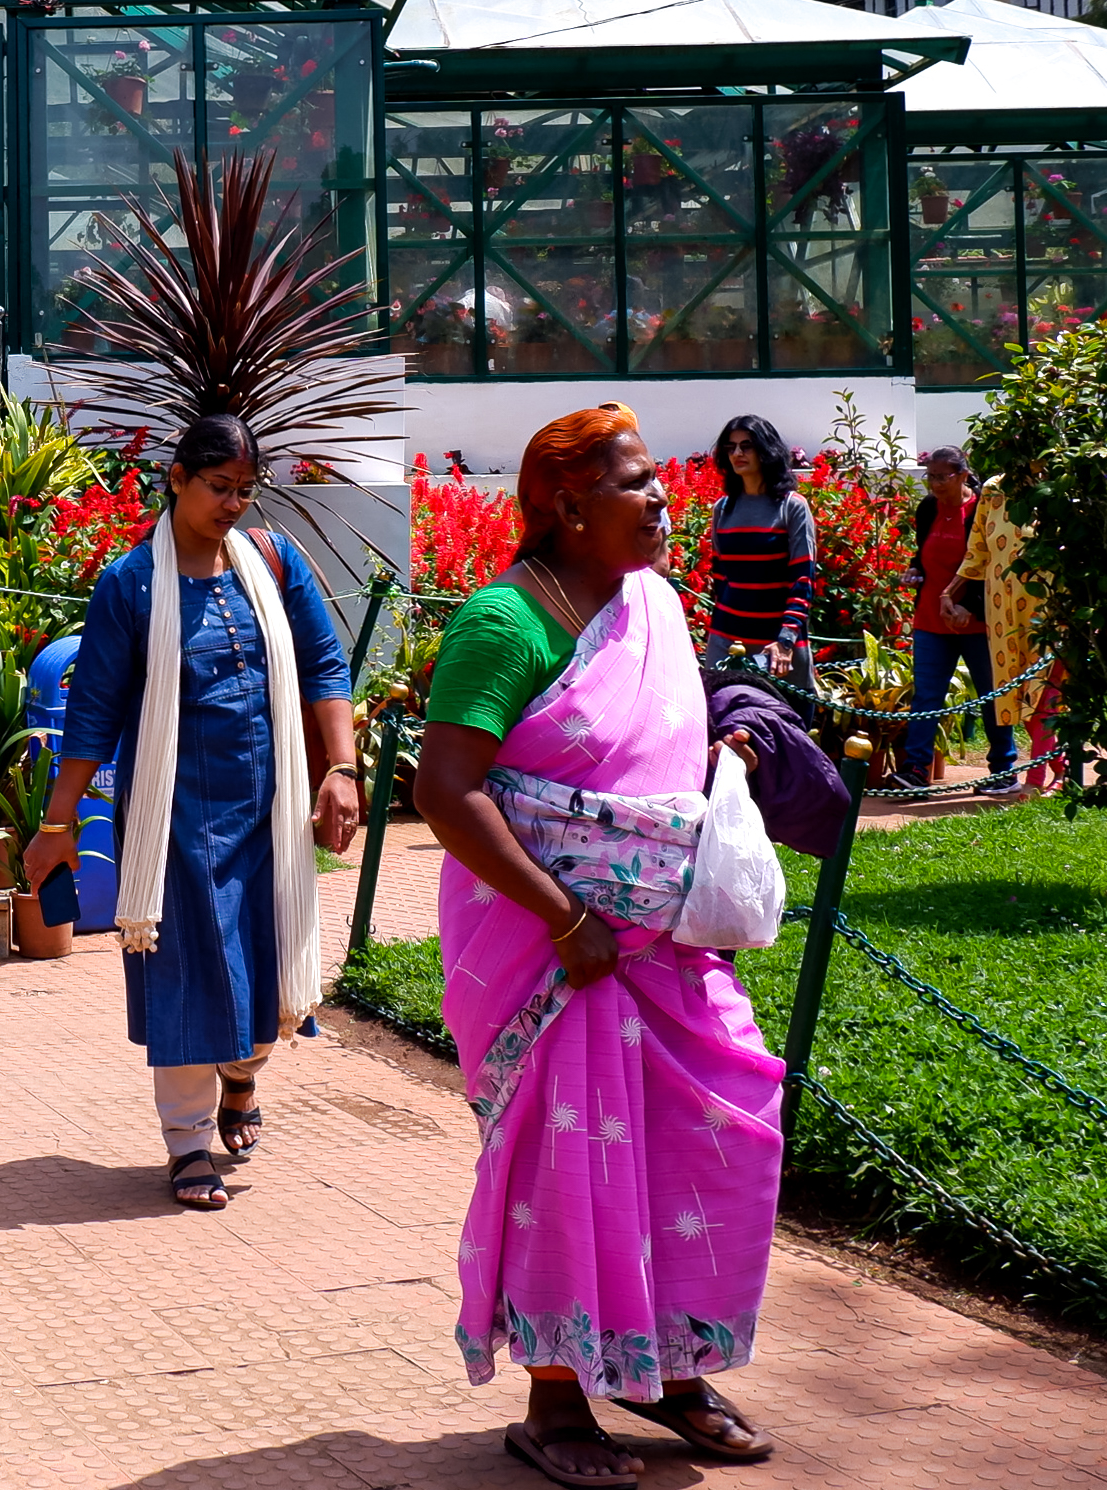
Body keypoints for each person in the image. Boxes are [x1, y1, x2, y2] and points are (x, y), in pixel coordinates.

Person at [413, 404, 788, 1484]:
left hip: (668, 949)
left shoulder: (654, 608)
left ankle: (670, 1370)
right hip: (554, 952)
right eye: (635, 484)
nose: (663, 498)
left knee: (717, 1132)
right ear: (569, 508)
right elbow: (447, 790)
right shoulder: (506, 623)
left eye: (656, 484)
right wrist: (568, 918)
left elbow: (650, 751)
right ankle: (557, 1398)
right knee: (569, 1159)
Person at [24, 414, 359, 1211]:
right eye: (218, 486)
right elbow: (93, 712)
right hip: (171, 821)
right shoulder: (131, 584)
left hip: (266, 812)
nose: (233, 504)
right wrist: (55, 823)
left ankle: (241, 1078)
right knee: (184, 977)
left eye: (245, 490)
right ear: (176, 477)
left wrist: (340, 767)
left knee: (267, 988)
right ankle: (185, 1144)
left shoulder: (275, 562)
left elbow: (321, 661)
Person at [955, 462, 1055, 792]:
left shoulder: (1059, 487)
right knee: (1015, 693)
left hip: (1047, 610)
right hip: (1001, 612)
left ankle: (1038, 779)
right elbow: (978, 549)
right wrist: (949, 592)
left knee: (1044, 693)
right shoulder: (994, 488)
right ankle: (1061, 766)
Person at [903, 447, 998, 789]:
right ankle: (915, 771)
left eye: (942, 477)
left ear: (962, 475)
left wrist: (968, 607)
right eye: (930, 476)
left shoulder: (981, 510)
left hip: (974, 621)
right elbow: (923, 553)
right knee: (926, 697)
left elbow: (988, 565)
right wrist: (914, 570)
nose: (935, 484)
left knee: (990, 694)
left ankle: (1002, 769)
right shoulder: (928, 508)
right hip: (931, 619)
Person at [698, 415, 817, 676]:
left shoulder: (792, 507)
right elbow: (721, 579)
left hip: (777, 650)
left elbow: (802, 580)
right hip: (726, 644)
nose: (737, 453)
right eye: (731, 447)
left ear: (766, 450)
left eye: (747, 445)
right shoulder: (723, 509)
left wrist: (786, 640)